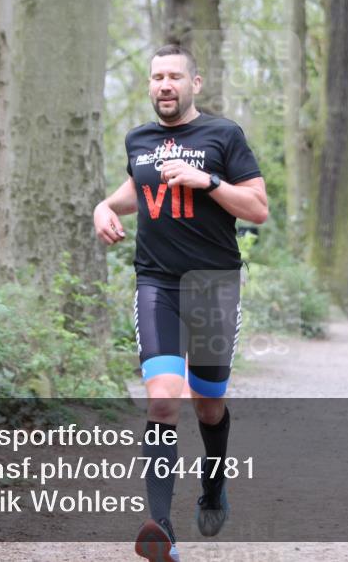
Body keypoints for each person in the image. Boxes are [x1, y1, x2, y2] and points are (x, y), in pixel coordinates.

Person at [93, 44, 268, 562]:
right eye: (157, 78)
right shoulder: (139, 140)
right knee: (164, 400)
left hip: (214, 285)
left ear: (195, 83)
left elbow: (258, 208)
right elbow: (136, 187)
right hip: (158, 284)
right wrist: (104, 206)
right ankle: (162, 528)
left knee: (208, 403)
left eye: (174, 76)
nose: (164, 85)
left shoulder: (224, 135)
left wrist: (208, 181)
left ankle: (213, 488)